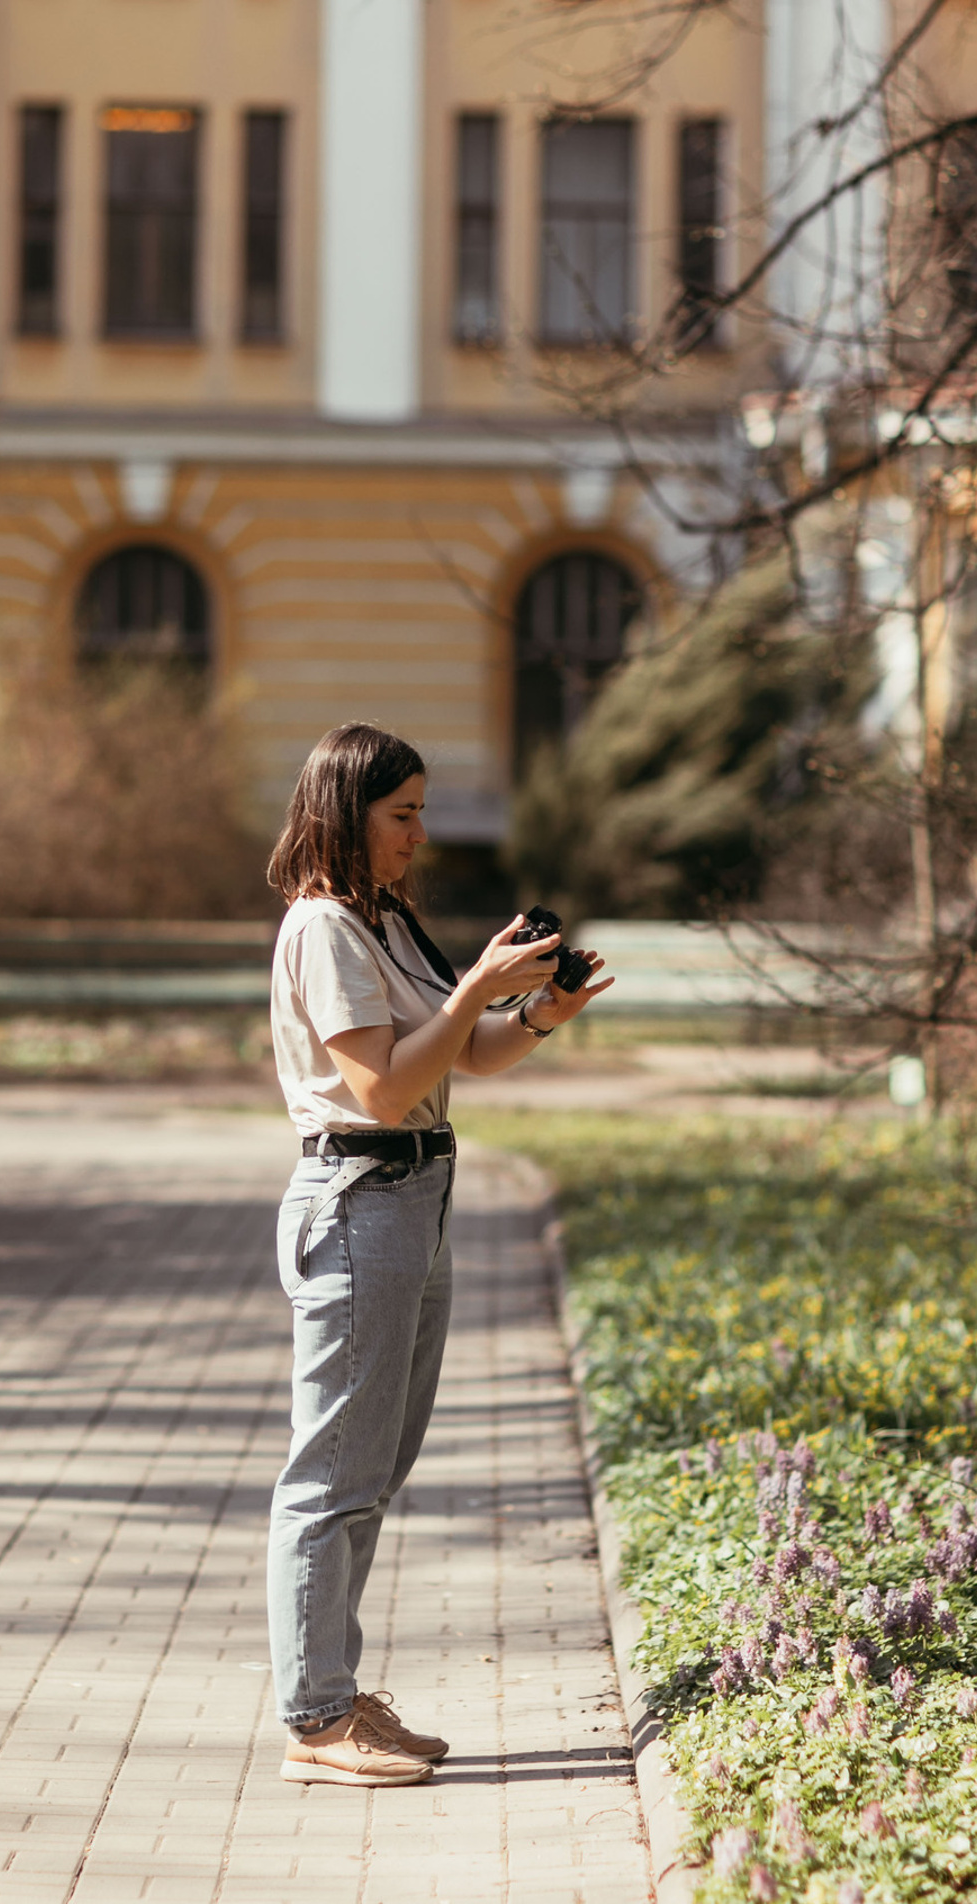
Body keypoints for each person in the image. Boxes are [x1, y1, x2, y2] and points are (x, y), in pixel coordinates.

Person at [263, 722, 612, 1787]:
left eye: (422, 812)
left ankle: (332, 1693)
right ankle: (318, 1718)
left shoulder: (387, 920)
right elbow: (379, 1088)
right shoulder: (325, 927)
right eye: (403, 814)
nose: (421, 834)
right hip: (360, 1199)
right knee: (332, 1472)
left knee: (372, 1467)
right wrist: (472, 991)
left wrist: (541, 1009)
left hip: (417, 1197)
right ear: (346, 813)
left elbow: (469, 1056)